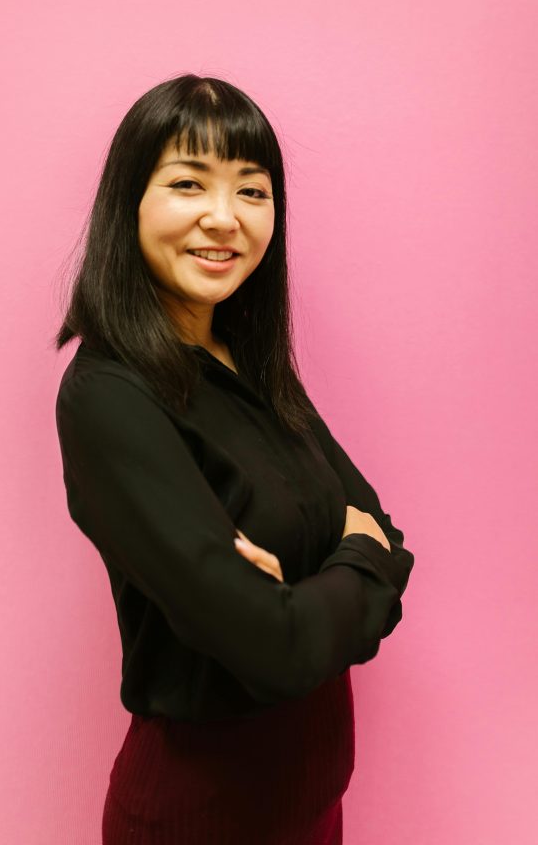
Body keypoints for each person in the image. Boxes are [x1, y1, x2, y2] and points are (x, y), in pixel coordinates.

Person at [53, 73, 415, 844]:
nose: (224, 219)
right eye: (189, 183)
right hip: (200, 818)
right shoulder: (109, 395)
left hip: (312, 802)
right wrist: (354, 563)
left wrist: (321, 578)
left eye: (251, 192)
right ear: (131, 201)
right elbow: (273, 650)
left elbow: (390, 538)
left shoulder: (248, 363)